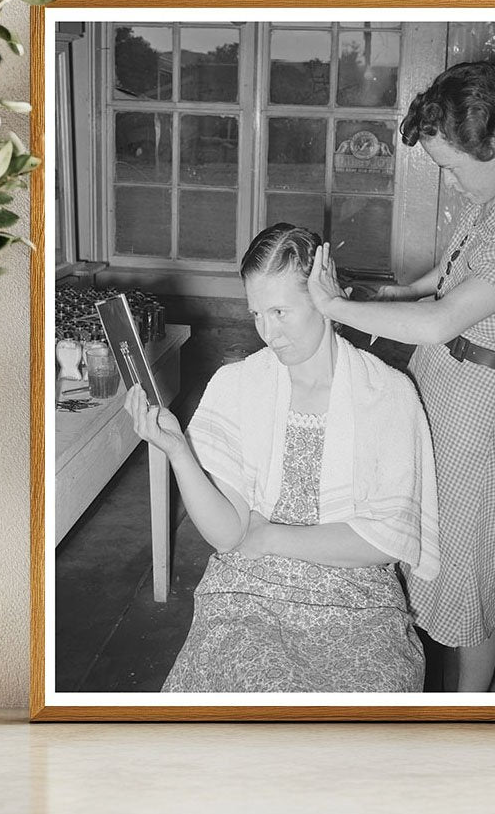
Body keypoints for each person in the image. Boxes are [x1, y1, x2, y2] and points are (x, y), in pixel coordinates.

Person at [307, 61, 495, 692]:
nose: (448, 179)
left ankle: (469, 717)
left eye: (450, 165)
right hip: (442, 386)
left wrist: (336, 310)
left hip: (482, 409)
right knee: (427, 545)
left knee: (470, 572)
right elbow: (432, 286)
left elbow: (442, 317)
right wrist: (364, 292)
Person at [123, 224, 439, 693]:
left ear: (326, 299)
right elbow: (229, 535)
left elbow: (386, 543)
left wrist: (269, 537)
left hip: (356, 602)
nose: (268, 333)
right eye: (256, 314)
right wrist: (178, 453)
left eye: (280, 312)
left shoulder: (387, 395)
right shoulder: (236, 387)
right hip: (247, 593)